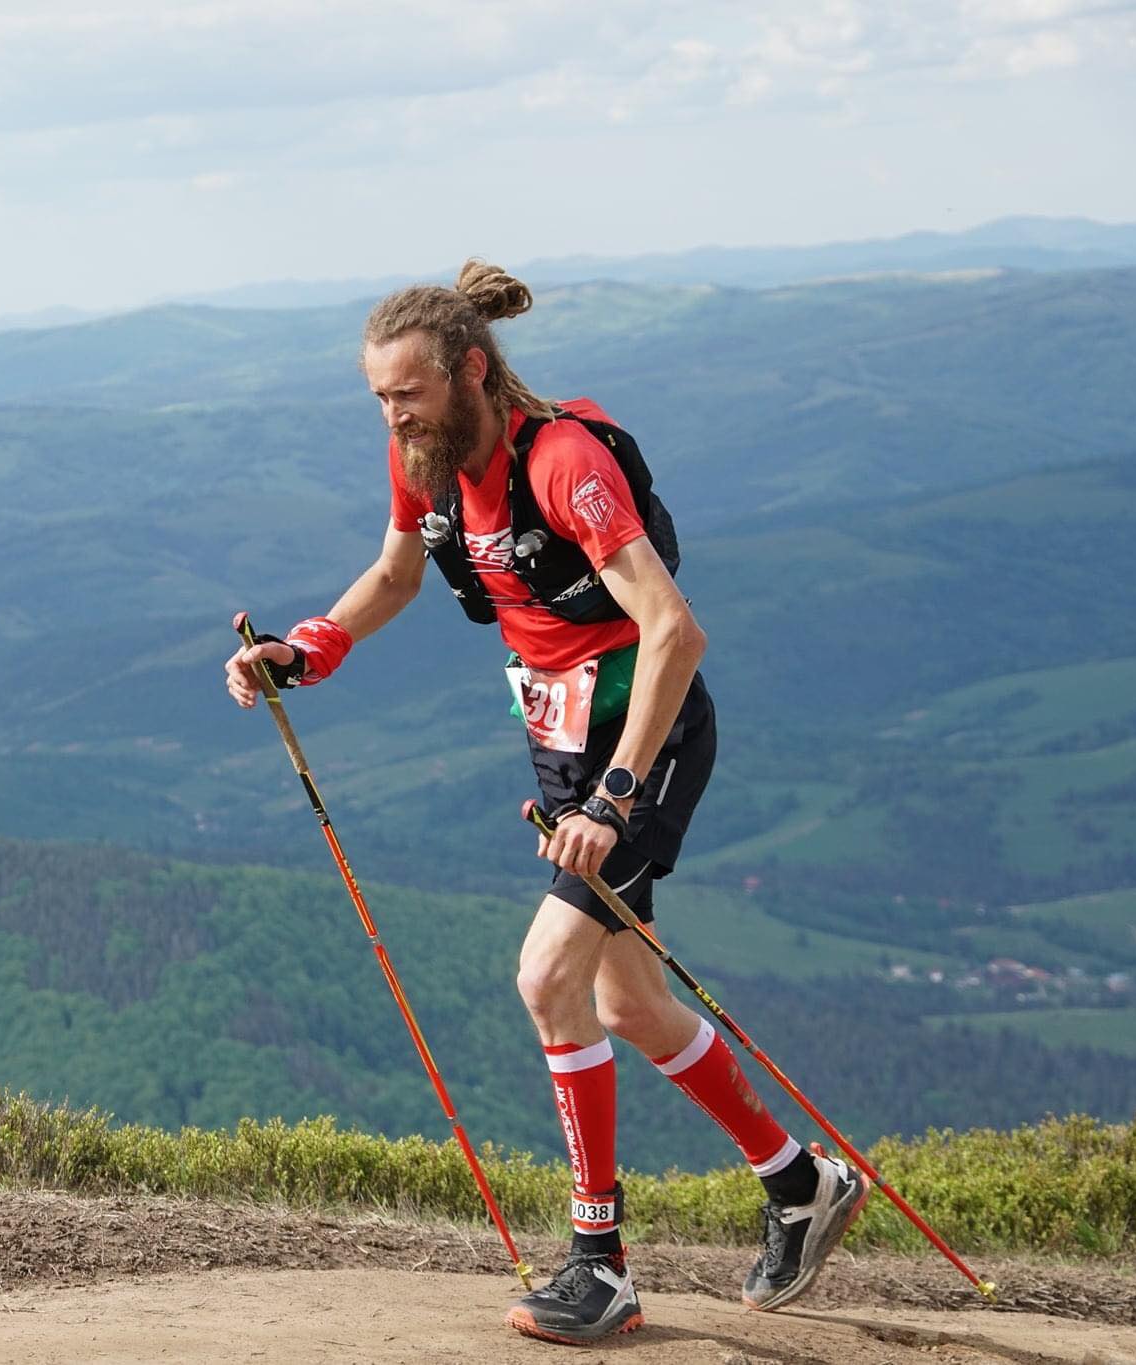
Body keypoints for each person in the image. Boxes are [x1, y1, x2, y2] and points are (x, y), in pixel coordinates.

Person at [222, 261, 867, 1346]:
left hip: (639, 742)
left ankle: (599, 1265)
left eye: (409, 394)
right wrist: (306, 650)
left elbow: (674, 632)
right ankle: (799, 1184)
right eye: (379, 399)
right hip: (562, 752)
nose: (393, 416)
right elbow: (393, 573)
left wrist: (613, 798)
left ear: (471, 370)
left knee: (543, 976)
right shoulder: (420, 459)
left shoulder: (562, 461)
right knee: (626, 1006)